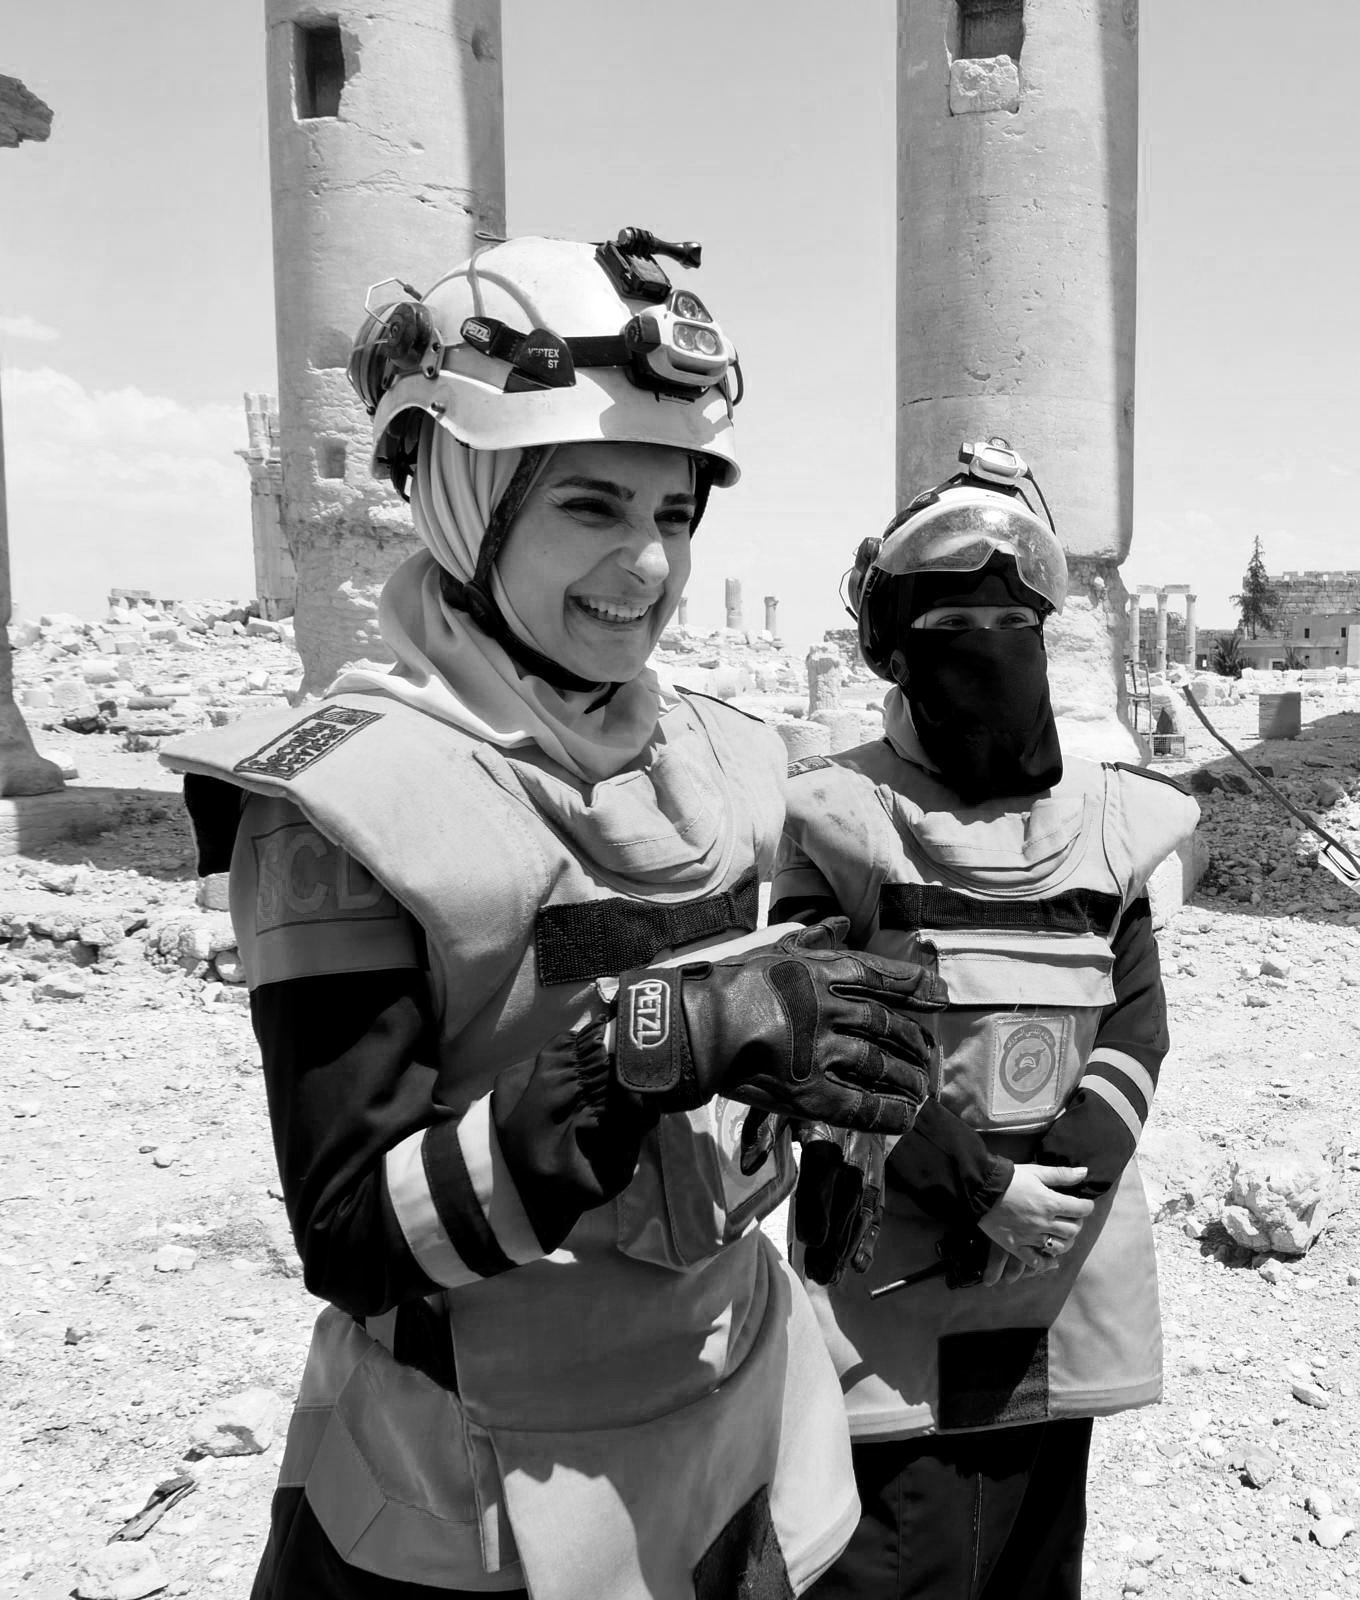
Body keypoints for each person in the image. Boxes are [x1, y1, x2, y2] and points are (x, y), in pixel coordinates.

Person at [160, 231, 942, 1600]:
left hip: (739, 1420)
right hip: (473, 1492)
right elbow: (351, 1235)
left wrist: (825, 1116)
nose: (646, 564)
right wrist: (658, 1039)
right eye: (590, 506)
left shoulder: (730, 758)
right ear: (466, 497)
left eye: (677, 514)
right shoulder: (345, 807)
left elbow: (747, 1027)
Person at [772, 440, 1200, 1600]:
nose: (988, 648)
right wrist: (982, 1190)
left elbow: (1136, 1022)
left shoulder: (1107, 818)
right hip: (893, 1284)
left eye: (1011, 620)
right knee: (890, 1562)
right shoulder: (833, 815)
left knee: (1027, 1557)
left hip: (1053, 1286)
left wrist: (1050, 1189)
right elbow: (821, 1033)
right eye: (957, 619)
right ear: (893, 644)